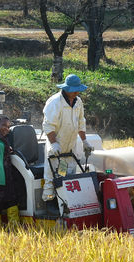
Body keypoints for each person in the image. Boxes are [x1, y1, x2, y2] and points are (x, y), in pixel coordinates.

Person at [41, 74, 93, 203]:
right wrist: (54, 144)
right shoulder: (55, 102)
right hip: (56, 146)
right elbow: (48, 125)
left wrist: (84, 141)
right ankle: (49, 202)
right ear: (66, 89)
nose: (77, 92)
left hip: (69, 147)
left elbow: (81, 122)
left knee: (65, 175)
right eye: (74, 90)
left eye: (78, 89)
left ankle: (62, 202)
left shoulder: (78, 102)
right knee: (51, 176)